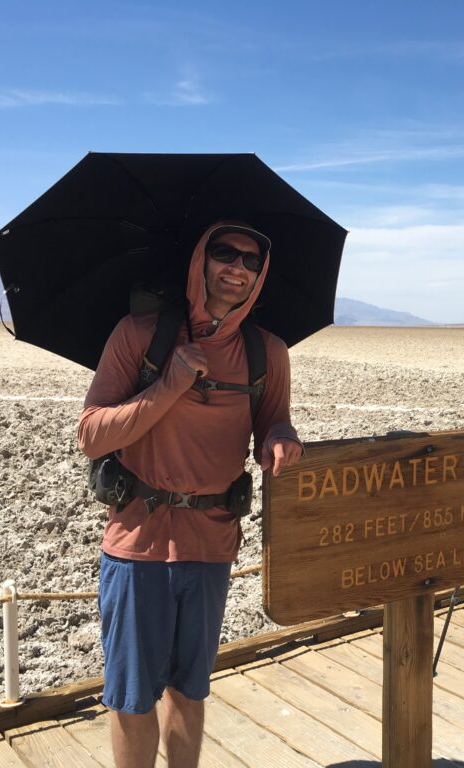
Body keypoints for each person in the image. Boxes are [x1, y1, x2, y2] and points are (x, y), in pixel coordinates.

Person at [78, 221, 303, 768]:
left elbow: (272, 424)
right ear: (200, 261)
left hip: (211, 543)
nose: (238, 268)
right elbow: (91, 435)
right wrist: (168, 386)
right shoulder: (139, 335)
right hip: (138, 542)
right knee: (131, 694)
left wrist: (281, 438)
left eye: (252, 261)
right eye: (225, 253)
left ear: (261, 276)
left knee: (190, 686)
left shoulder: (266, 353)